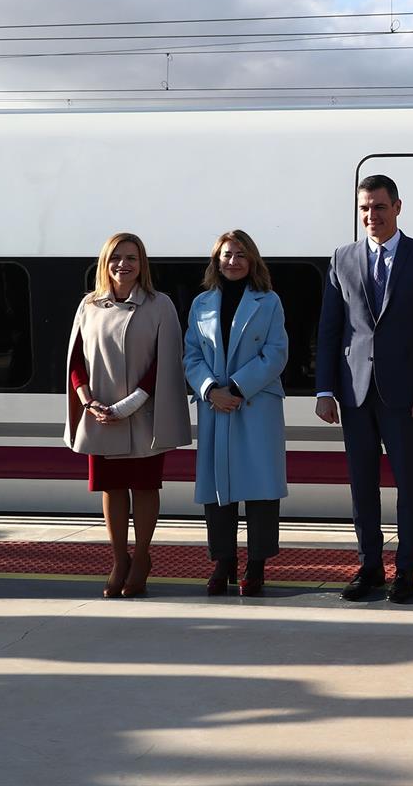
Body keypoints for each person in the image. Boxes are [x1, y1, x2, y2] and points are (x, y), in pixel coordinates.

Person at [315, 174, 413, 604]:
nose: (371, 216)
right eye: (364, 209)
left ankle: (406, 570)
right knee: (362, 485)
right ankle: (370, 566)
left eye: (378, 207)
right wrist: (323, 390)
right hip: (354, 394)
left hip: (406, 395)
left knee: (409, 486)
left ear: (397, 207)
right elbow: (330, 328)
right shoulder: (342, 258)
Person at [63, 232, 191, 597]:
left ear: (142, 264)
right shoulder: (89, 305)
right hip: (99, 413)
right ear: (105, 262)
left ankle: (142, 556)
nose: (123, 264)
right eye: (116, 257)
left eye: (131, 258)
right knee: (112, 487)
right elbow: (76, 360)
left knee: (145, 486)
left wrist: (130, 404)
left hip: (144, 414)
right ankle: (120, 558)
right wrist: (88, 401)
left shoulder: (159, 304)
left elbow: (166, 361)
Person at [184, 230, 289, 597]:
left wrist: (238, 388)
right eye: (227, 254)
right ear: (216, 260)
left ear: (253, 260)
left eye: (241, 254)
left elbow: (276, 353)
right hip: (216, 405)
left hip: (255, 403)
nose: (233, 261)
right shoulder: (201, 304)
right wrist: (211, 390)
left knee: (260, 489)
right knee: (218, 488)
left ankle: (256, 564)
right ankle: (223, 561)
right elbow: (191, 356)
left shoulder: (269, 301)